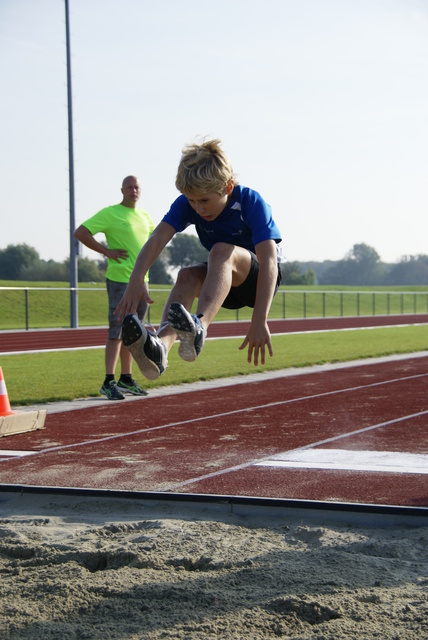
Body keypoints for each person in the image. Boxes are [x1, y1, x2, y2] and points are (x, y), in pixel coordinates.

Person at [115, 139, 282, 381]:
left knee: (220, 250)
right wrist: (136, 279)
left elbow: (269, 261)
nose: (198, 208)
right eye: (192, 200)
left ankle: (199, 328)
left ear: (228, 187)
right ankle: (160, 349)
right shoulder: (189, 204)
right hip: (225, 284)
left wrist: (260, 319)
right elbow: (158, 238)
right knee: (186, 275)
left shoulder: (250, 202)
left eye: (204, 200)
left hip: (259, 281)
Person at [74, 176, 155, 400]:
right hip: (120, 281)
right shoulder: (110, 213)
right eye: (129, 187)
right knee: (117, 331)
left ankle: (126, 378)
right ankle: (108, 381)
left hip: (142, 282)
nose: (133, 190)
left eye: (137, 186)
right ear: (122, 190)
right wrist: (107, 252)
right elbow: (80, 232)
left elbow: (153, 246)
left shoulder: (146, 217)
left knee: (134, 333)